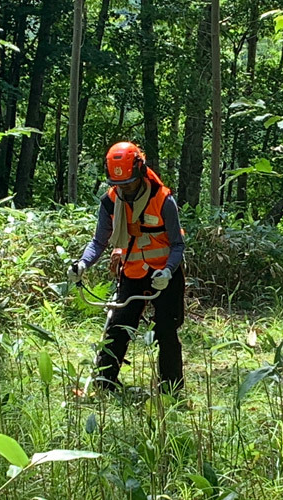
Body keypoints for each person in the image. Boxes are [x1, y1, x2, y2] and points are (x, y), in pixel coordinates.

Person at [68, 141, 186, 394]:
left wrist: (167, 271)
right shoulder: (110, 202)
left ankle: (171, 389)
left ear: (141, 171)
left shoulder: (163, 200)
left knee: (166, 331)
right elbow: (99, 241)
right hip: (132, 273)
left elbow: (178, 244)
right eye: (119, 185)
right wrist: (82, 263)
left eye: (129, 183)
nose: (125, 190)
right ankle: (105, 383)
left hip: (165, 275)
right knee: (119, 326)